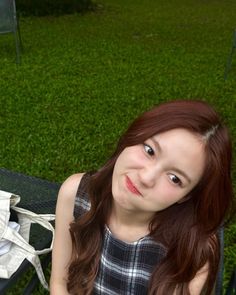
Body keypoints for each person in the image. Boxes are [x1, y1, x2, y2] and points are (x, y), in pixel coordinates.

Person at [50, 99, 234, 295]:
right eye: (149, 150)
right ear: (134, 135)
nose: (146, 177)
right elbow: (60, 283)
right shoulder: (75, 194)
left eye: (174, 178)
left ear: (186, 197)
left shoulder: (191, 251)